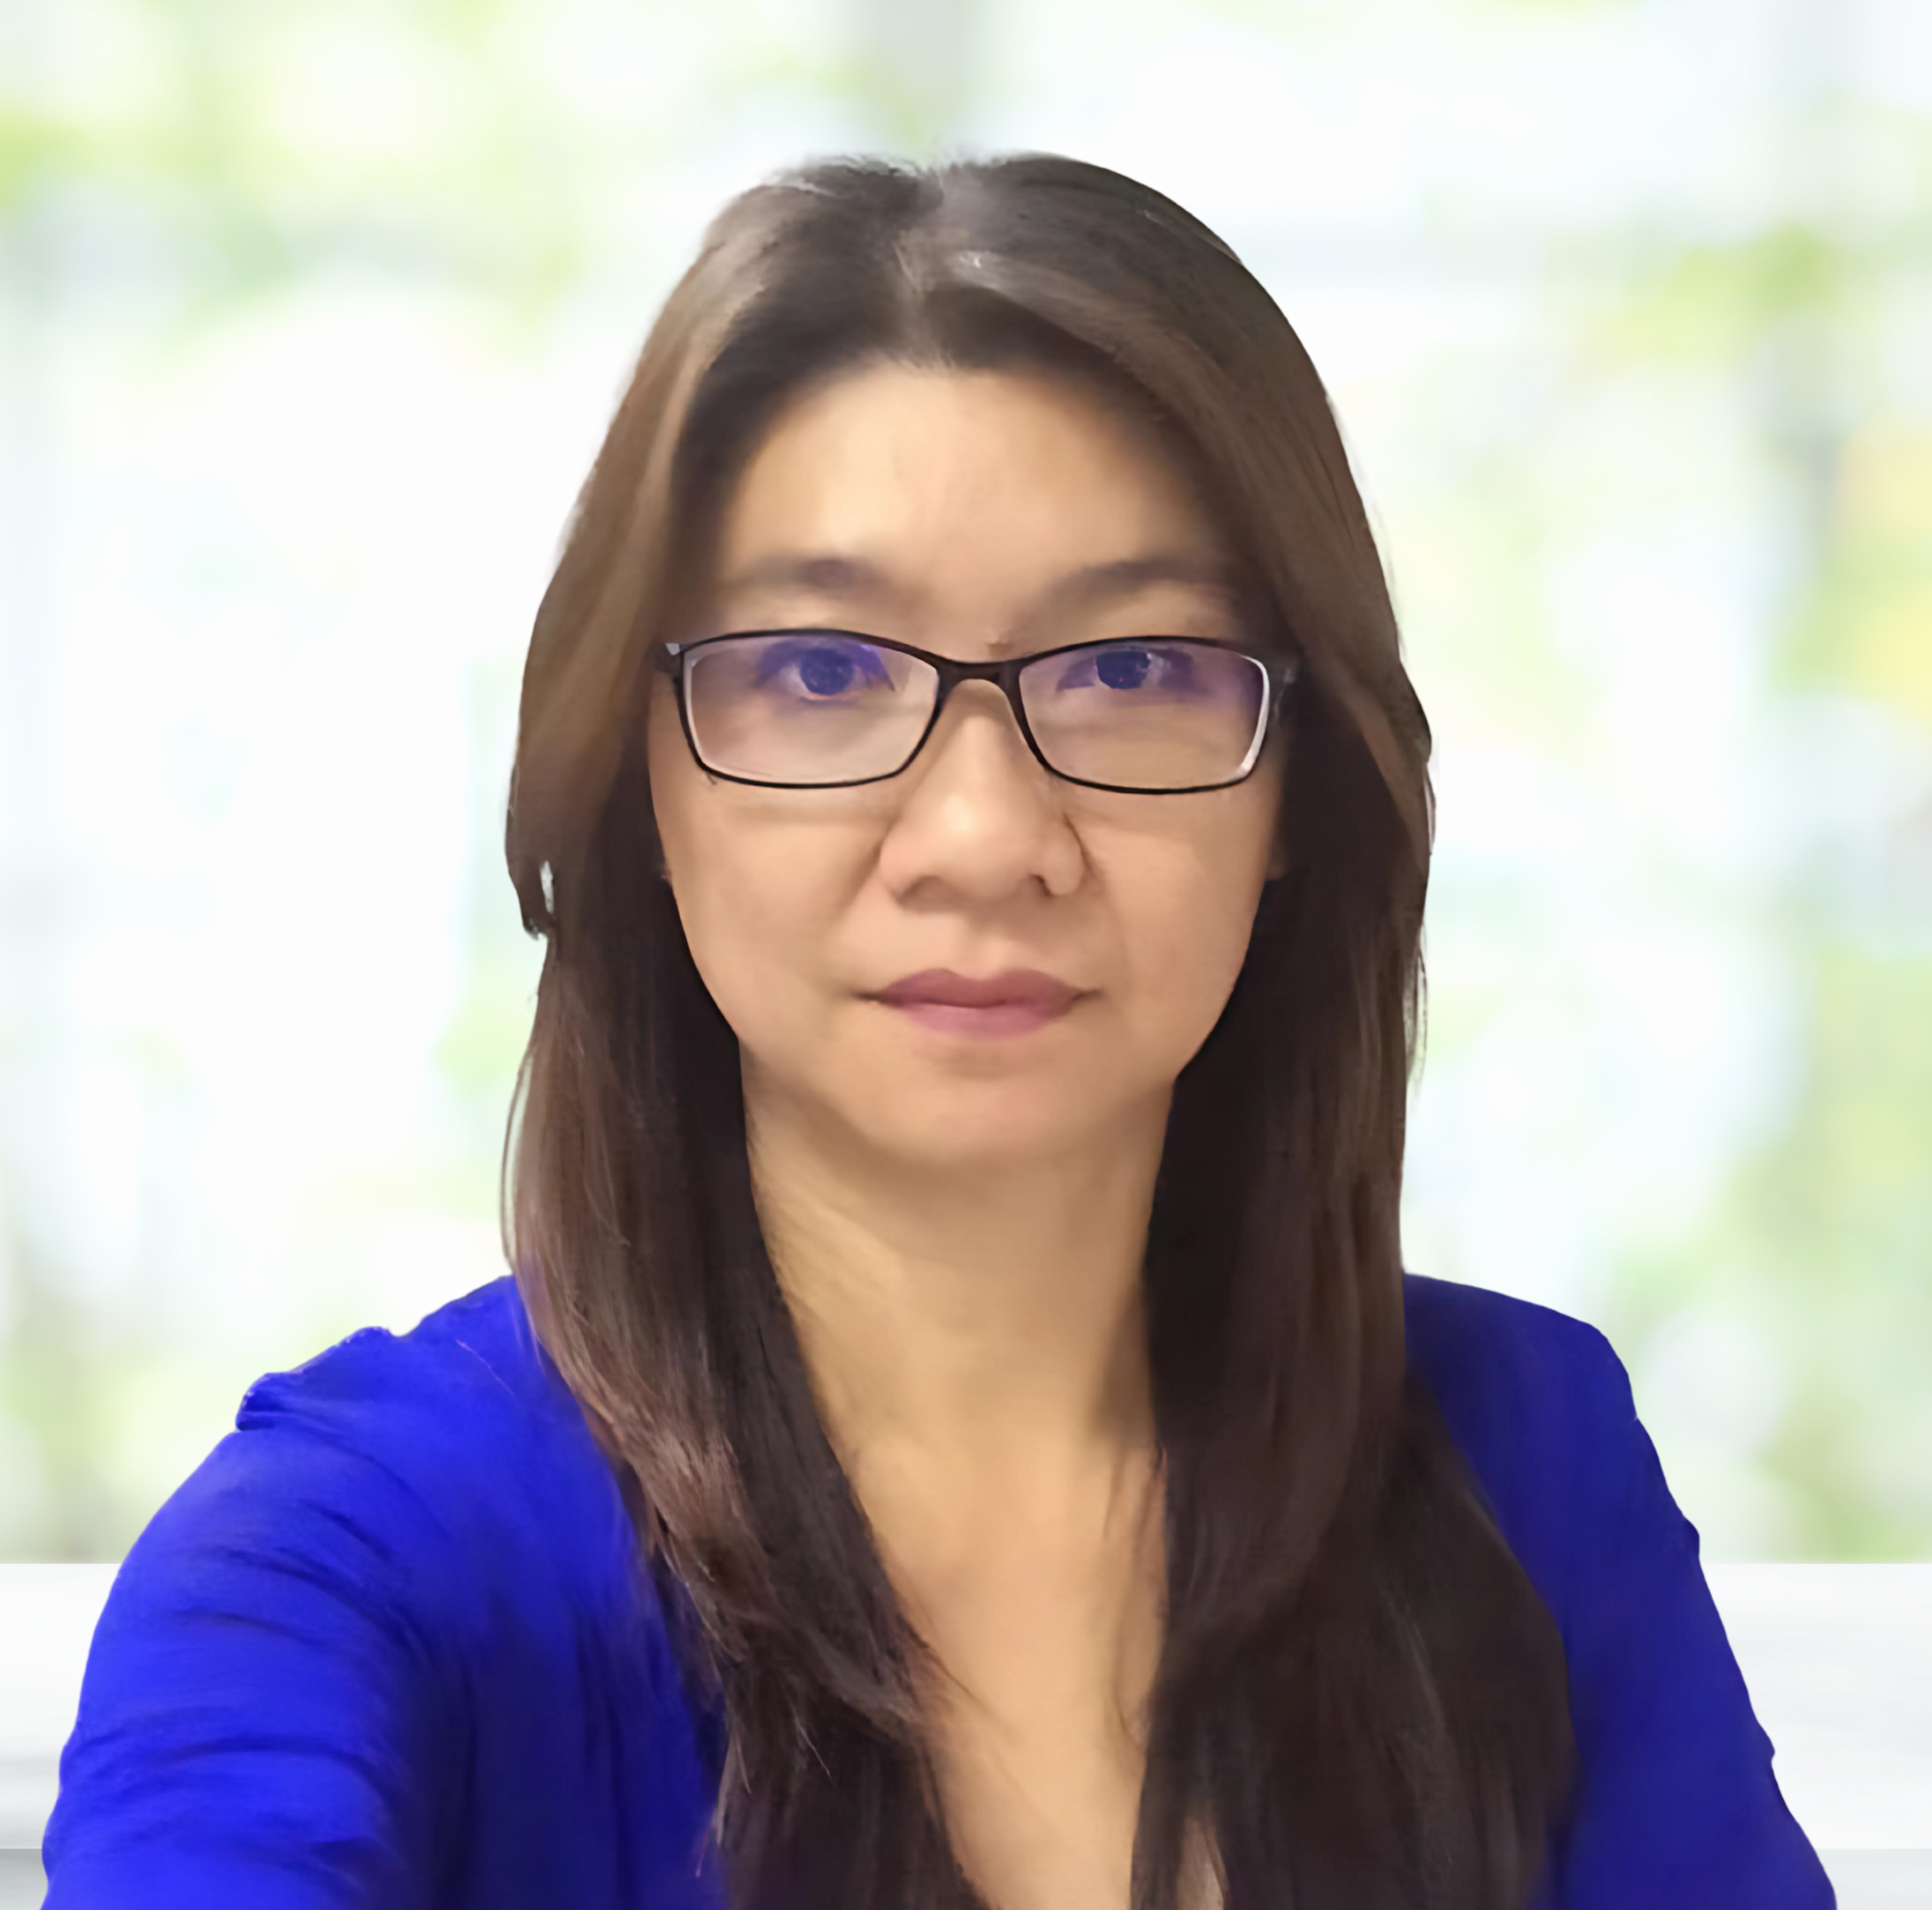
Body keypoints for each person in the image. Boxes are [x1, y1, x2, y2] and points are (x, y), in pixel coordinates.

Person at [43, 155, 1833, 1910]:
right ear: (638, 783)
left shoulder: (1528, 1464)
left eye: (1133, 670)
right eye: (821, 671)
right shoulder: (343, 1561)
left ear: (1299, 794)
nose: (984, 839)